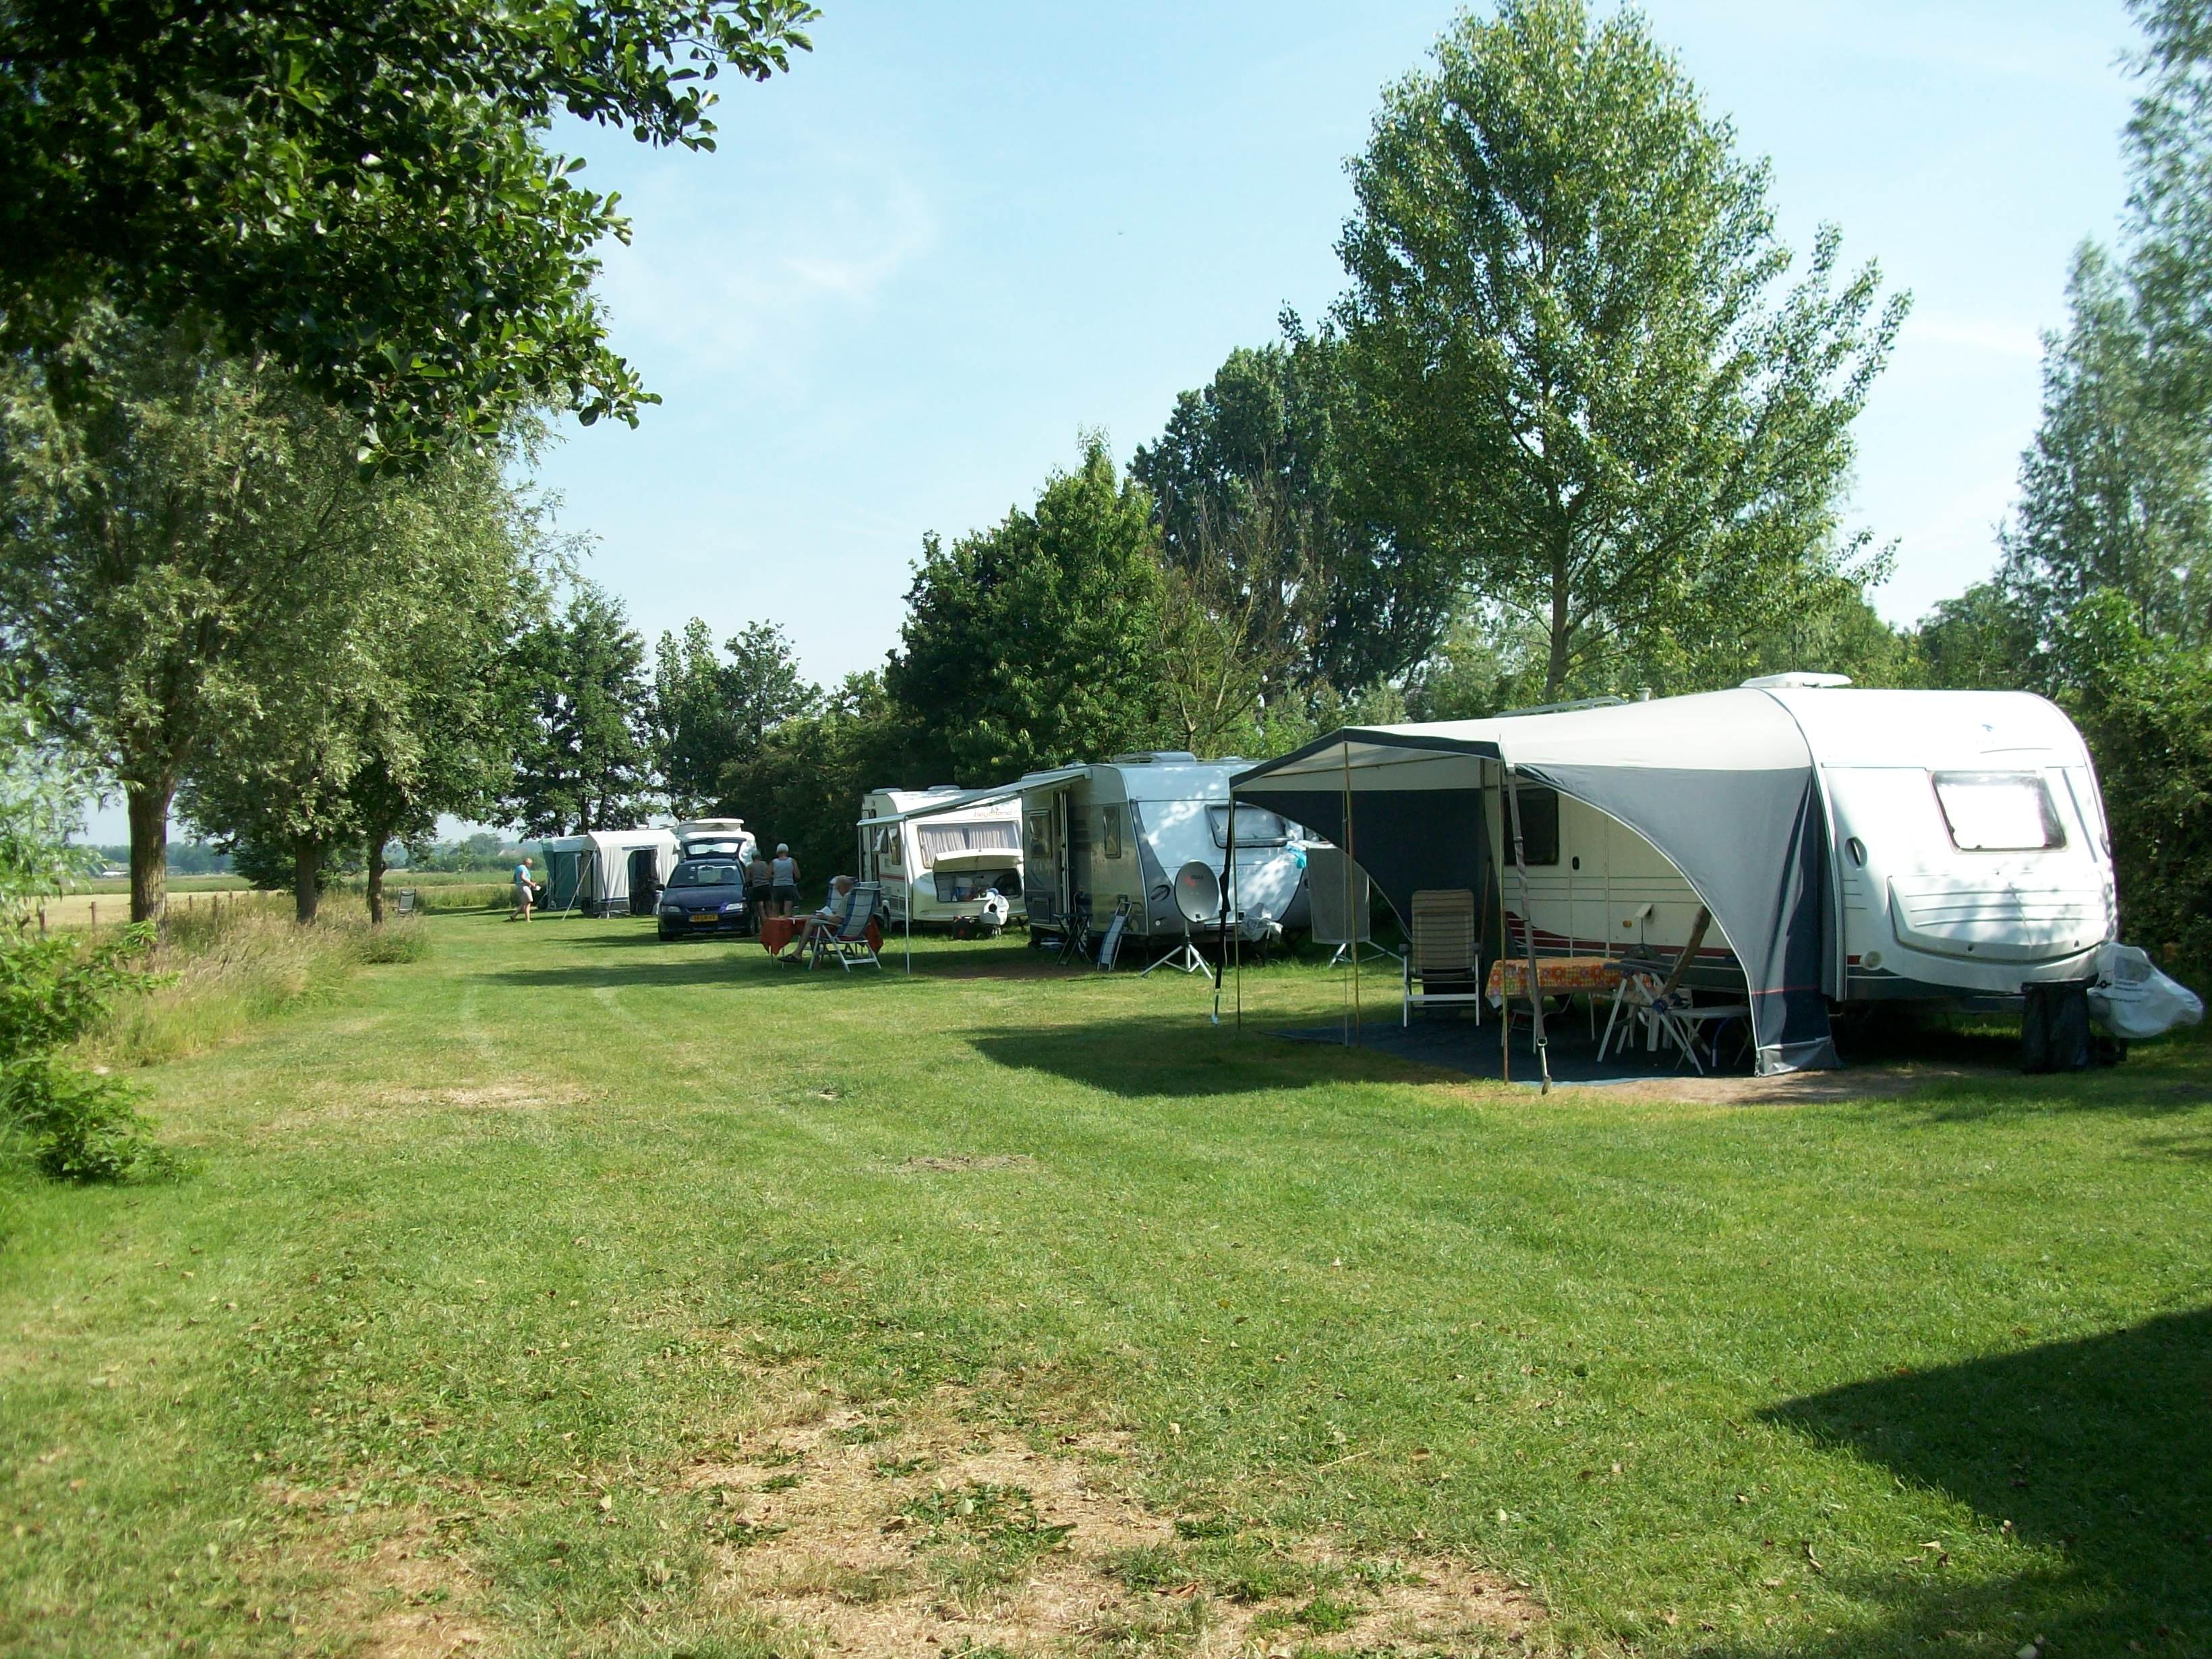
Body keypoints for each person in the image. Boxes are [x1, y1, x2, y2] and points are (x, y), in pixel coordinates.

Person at [794, 874, 858, 955]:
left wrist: (826, 917)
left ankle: (802, 955)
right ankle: (798, 953)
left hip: (841, 932)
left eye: (838, 889)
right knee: (813, 918)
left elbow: (838, 920)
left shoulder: (847, 897)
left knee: (812, 926)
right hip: (858, 930)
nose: (838, 891)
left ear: (842, 887)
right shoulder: (858, 896)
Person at [745, 849, 774, 935]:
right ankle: (773, 926)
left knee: (761, 908)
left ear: (752, 858)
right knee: (769, 908)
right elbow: (769, 874)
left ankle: (766, 928)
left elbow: (747, 880)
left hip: (757, 888)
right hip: (766, 887)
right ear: (760, 857)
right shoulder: (765, 864)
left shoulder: (750, 867)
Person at [769, 843, 801, 918]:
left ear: (777, 852)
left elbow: (767, 876)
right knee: (788, 910)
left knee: (775, 910)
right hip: (789, 886)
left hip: (777, 887)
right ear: (787, 851)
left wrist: (776, 877)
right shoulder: (792, 861)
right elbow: (798, 876)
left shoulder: (773, 862)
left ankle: (776, 927)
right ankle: (787, 928)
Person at [511, 854, 535, 923]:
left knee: (524, 903)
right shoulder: (524, 868)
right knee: (529, 902)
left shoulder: (518, 868)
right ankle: (528, 919)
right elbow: (523, 877)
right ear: (528, 863)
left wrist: (518, 883)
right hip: (524, 886)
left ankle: (514, 915)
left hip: (520, 886)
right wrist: (532, 884)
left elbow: (515, 878)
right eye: (530, 864)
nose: (530, 866)